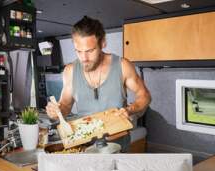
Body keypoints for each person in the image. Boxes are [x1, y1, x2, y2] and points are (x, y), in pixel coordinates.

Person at [46, 16, 151, 152]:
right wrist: (57, 111)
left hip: (118, 146)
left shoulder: (122, 65)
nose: (84, 58)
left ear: (103, 43)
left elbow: (145, 96)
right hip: (84, 146)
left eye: (90, 51)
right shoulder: (70, 70)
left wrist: (130, 109)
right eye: (78, 51)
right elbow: (65, 105)